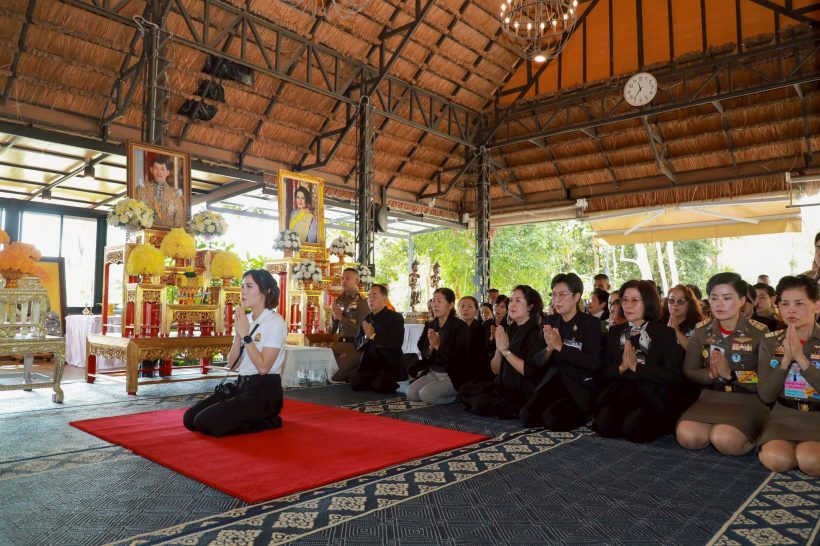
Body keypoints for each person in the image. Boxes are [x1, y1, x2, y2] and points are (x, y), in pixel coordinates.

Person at [676, 272, 770, 455]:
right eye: (714, 298)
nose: (719, 304)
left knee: (725, 439)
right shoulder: (702, 331)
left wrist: (731, 375)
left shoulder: (760, 333)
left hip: (748, 399)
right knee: (687, 436)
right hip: (711, 396)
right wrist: (710, 374)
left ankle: (759, 434)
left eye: (727, 298)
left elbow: (766, 381)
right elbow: (690, 370)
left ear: (742, 300)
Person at [183, 270, 286, 436]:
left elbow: (263, 368)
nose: (243, 291)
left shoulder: (275, 323)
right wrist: (238, 334)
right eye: (242, 286)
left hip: (264, 393)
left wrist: (245, 335)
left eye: (249, 286)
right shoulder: (247, 320)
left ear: (265, 291)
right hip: (242, 386)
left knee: (206, 422)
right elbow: (232, 364)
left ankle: (268, 421)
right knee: (189, 419)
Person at [593, 280, 696, 443]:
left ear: (648, 302)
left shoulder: (665, 333)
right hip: (621, 393)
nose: (628, 305)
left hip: (652, 397)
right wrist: (621, 368)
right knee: (605, 428)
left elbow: (674, 377)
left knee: (633, 431)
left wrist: (637, 367)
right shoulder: (615, 332)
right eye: (625, 300)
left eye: (635, 300)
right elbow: (602, 372)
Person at [519, 273, 603, 431]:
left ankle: (587, 412)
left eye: (562, 294)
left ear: (576, 296)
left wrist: (561, 347)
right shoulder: (550, 322)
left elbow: (594, 363)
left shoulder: (590, 323)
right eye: (554, 294)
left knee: (553, 420)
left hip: (577, 385)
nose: (556, 299)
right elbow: (536, 360)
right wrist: (549, 349)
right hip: (553, 383)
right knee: (527, 417)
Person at [757, 275, 820, 477]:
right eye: (785, 304)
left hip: (817, 417)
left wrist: (801, 358)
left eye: (799, 303)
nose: (791, 310)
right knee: (778, 460)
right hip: (784, 416)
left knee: (811, 461)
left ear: (816, 306)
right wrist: (785, 360)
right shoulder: (770, 342)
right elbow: (766, 395)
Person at [459, 286, 546, 419]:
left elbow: (528, 371)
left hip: (523, 389)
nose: (512, 305)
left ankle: (514, 408)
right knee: (466, 389)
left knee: (481, 402)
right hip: (503, 385)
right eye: (511, 300)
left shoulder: (536, 333)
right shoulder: (511, 329)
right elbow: (495, 370)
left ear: (530, 306)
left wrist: (506, 351)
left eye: (518, 301)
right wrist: (499, 351)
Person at [407, 288, 470, 404]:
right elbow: (422, 346)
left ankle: (458, 397)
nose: (435, 305)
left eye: (439, 301)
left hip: (452, 375)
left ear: (450, 305)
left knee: (425, 395)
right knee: (411, 393)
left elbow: (459, 357)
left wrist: (438, 345)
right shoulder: (431, 324)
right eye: (433, 301)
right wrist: (431, 347)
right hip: (433, 372)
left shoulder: (460, 327)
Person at [350, 284, 405, 394]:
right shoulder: (367, 318)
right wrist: (367, 337)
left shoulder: (395, 318)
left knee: (379, 388)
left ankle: (390, 380)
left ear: (385, 298)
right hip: (370, 364)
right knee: (356, 384)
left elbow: (396, 343)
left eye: (374, 296)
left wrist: (374, 336)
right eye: (369, 296)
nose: (370, 299)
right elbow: (357, 344)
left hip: (388, 363)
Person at [329, 268, 370, 382]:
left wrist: (341, 318)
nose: (343, 281)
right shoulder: (339, 300)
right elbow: (331, 331)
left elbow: (362, 330)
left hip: (355, 346)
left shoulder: (362, 302)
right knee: (321, 370)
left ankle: (357, 371)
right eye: (342, 278)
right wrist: (334, 318)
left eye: (347, 279)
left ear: (357, 281)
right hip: (339, 343)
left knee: (334, 376)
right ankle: (354, 372)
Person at [135, 155, 184, 227]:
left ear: (167, 172)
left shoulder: (175, 194)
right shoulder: (142, 189)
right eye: (156, 168)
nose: (159, 172)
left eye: (162, 169)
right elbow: (136, 212)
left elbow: (179, 219)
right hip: (147, 232)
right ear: (151, 170)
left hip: (169, 235)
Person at [660, 284, 704, 350]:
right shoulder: (658, 323)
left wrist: (676, 331)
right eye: (671, 300)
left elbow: (697, 352)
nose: (675, 304)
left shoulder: (700, 326)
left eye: (680, 301)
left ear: (690, 304)